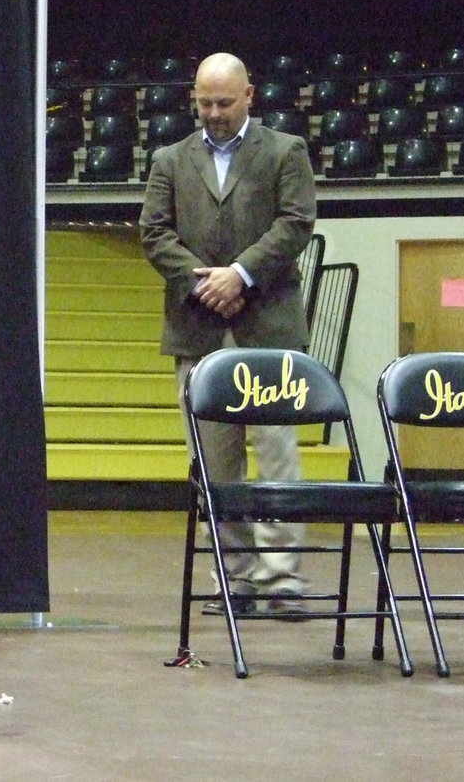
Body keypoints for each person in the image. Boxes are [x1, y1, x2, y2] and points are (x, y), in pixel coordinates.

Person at [139, 52, 317, 619]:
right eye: (204, 102)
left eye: (223, 102)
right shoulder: (169, 159)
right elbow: (154, 233)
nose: (213, 113)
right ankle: (236, 581)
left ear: (249, 96)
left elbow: (296, 223)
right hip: (198, 331)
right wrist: (207, 285)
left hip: (268, 330)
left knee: (276, 456)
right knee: (216, 465)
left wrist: (238, 275)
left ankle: (281, 579)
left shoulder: (286, 151)